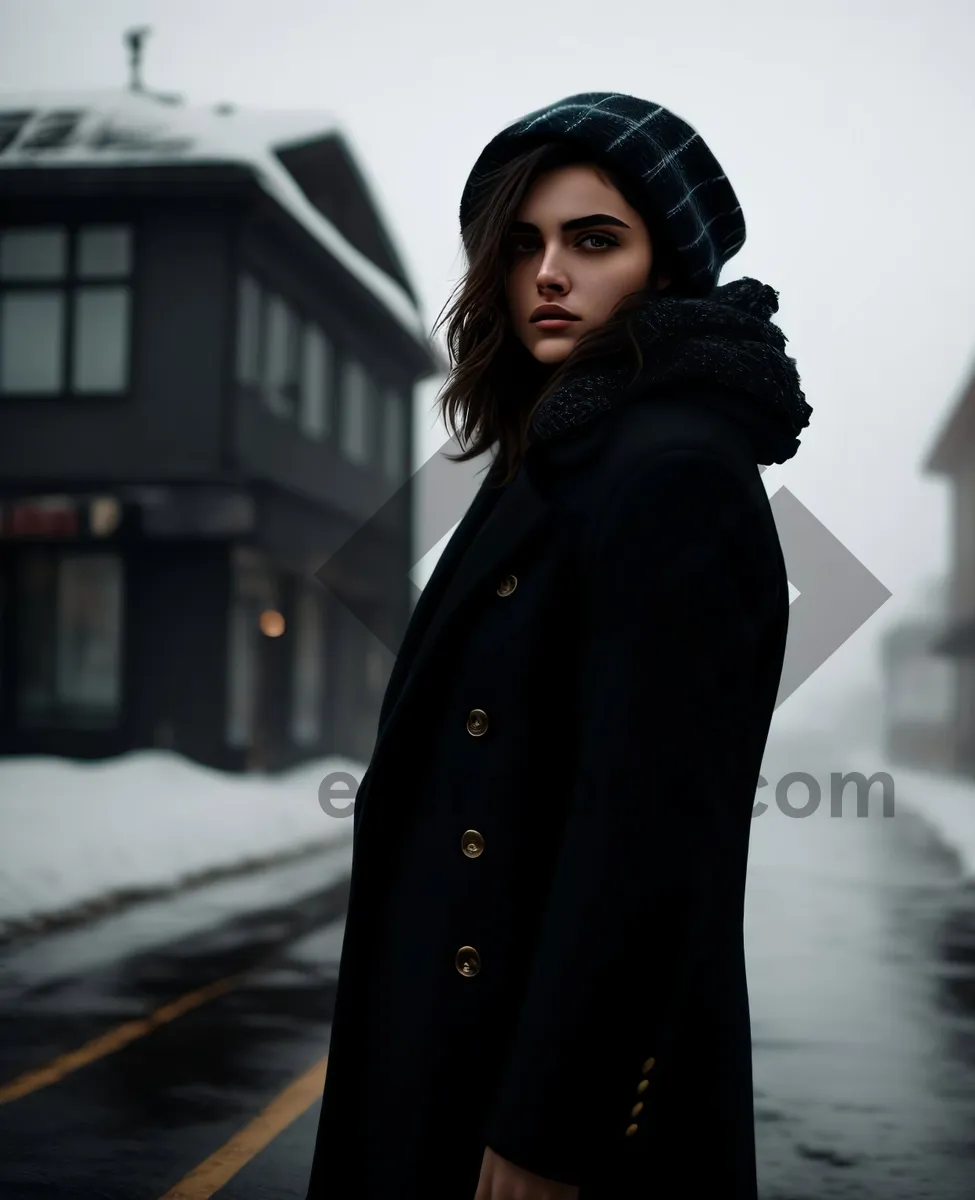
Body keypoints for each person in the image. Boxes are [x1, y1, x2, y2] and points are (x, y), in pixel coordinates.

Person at [305, 92, 813, 1200]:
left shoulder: (669, 471)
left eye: (593, 241)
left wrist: (553, 1123)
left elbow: (647, 834)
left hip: (532, 1107)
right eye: (524, 243)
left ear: (666, 270)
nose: (548, 272)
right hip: (463, 1051)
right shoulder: (558, 452)